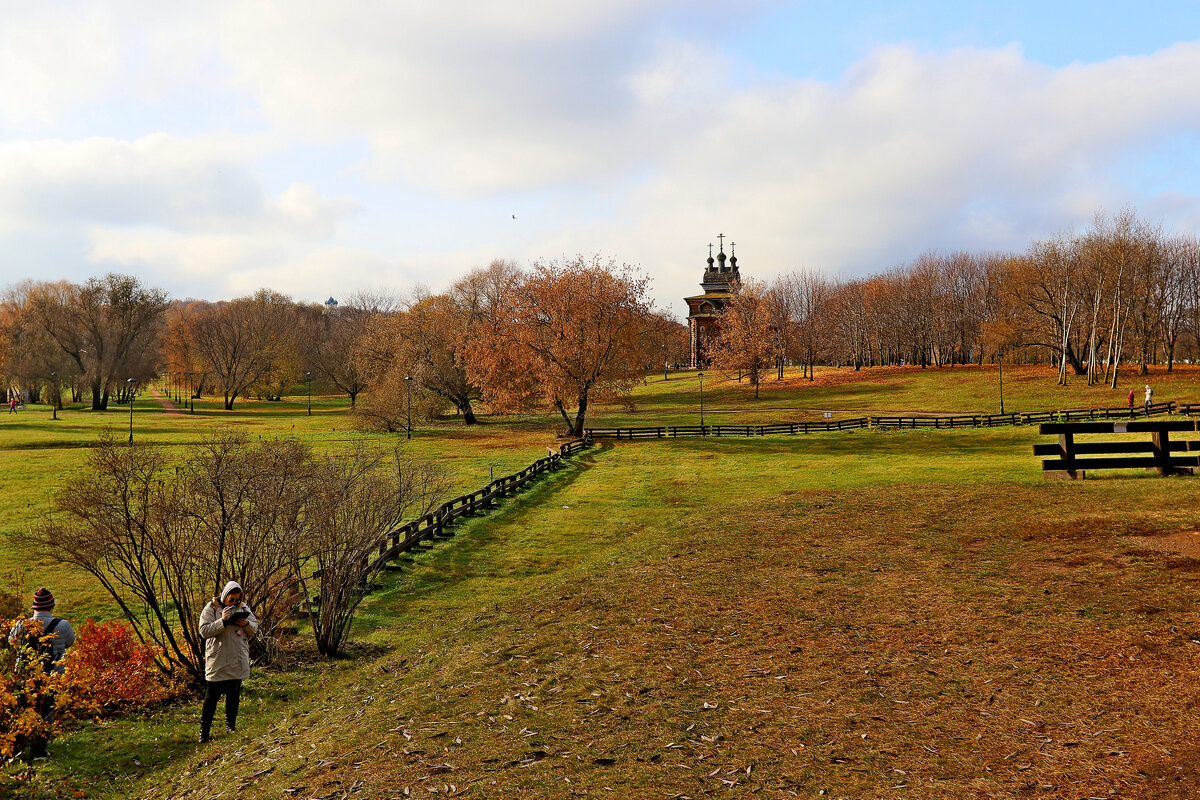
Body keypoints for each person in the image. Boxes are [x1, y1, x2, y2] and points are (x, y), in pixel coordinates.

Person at [8, 587, 76, 759]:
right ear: (52, 606)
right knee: (46, 711)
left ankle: (16, 749)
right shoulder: (62, 625)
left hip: (24, 676)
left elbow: (11, 642)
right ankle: (40, 749)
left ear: (34, 607)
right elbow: (70, 642)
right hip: (52, 676)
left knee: (21, 710)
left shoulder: (20, 625)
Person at [197, 581, 258, 743]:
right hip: (218, 660)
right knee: (211, 698)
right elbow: (204, 631)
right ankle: (204, 733)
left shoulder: (243, 608)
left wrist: (246, 624)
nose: (234, 603)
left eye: (237, 600)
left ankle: (231, 726)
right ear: (224, 596)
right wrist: (222, 621)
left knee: (233, 695)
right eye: (231, 600)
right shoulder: (211, 609)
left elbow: (254, 628)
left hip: (237, 658)